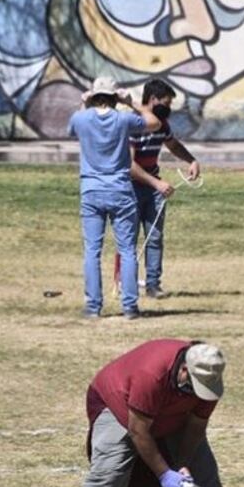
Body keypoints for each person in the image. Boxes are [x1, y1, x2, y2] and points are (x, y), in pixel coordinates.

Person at [51, 339, 244, 487]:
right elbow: (138, 431)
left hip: (170, 415)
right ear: (185, 369)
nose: (199, 392)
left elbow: (196, 427)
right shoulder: (151, 373)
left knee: (203, 473)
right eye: (195, 385)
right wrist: (165, 474)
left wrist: (183, 466)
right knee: (108, 476)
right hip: (120, 408)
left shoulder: (210, 379)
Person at [68, 77, 168, 319]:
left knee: (92, 250)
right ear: (115, 97)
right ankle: (130, 306)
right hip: (120, 189)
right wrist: (131, 101)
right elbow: (155, 123)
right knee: (126, 249)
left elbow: (74, 130)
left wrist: (83, 103)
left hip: (91, 189)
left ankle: (93, 306)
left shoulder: (81, 117)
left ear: (93, 96)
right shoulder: (123, 119)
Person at [130, 79, 201, 299]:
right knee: (128, 240)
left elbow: (173, 145)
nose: (169, 108)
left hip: (153, 189)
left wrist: (191, 160)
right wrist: (157, 184)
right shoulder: (132, 124)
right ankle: (126, 285)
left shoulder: (162, 125)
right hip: (130, 189)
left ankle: (153, 285)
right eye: (166, 103)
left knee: (155, 237)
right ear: (152, 100)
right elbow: (128, 165)